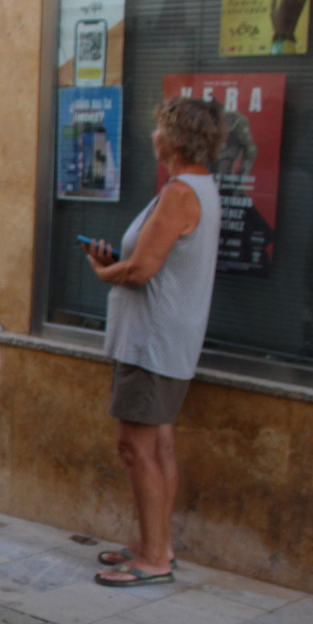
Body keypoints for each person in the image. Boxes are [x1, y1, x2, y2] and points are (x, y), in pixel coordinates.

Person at [85, 97, 226, 587]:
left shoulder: (180, 193)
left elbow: (143, 270)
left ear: (175, 138)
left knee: (136, 447)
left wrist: (105, 271)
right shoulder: (200, 188)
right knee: (159, 445)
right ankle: (156, 544)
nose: (153, 136)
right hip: (168, 339)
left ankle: (152, 561)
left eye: (159, 128)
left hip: (151, 342)